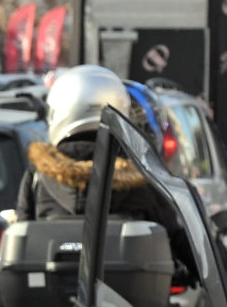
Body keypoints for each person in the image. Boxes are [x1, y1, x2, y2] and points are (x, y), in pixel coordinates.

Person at [15, 66, 171, 226]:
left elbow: (21, 231)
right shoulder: (145, 178)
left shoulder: (38, 178)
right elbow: (175, 235)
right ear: (122, 111)